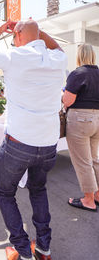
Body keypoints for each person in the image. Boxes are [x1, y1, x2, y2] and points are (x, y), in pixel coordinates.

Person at [0, 20, 67, 260]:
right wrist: (36, 31)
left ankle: (23, 251)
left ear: (19, 35)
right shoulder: (57, 59)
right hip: (48, 143)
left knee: (5, 193)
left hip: (19, 143)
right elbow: (56, 47)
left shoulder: (14, 56)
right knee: (38, 190)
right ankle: (44, 248)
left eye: (14, 36)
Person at [62, 44, 99, 212]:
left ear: (79, 56)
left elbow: (67, 101)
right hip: (97, 118)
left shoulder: (77, 74)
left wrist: (64, 93)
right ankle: (97, 195)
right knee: (94, 159)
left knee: (83, 162)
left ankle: (89, 200)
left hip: (80, 119)